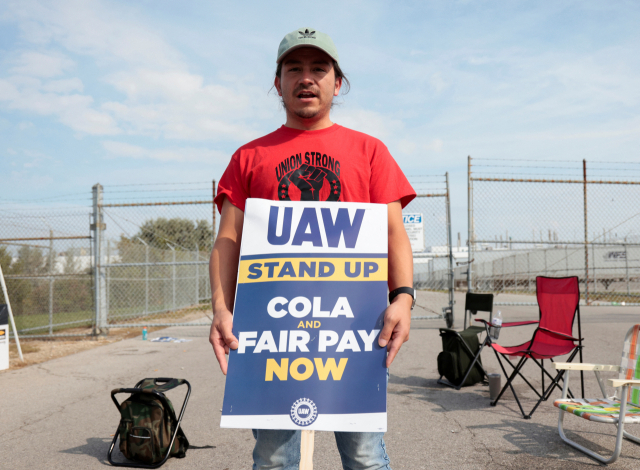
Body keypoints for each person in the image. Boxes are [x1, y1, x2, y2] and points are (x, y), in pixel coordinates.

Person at [209, 27, 416, 470]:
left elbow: (393, 232)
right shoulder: (249, 157)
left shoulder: (370, 151)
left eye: (319, 69)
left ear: (336, 83)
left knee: (365, 456)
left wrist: (404, 298)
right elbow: (228, 240)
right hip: (272, 336)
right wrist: (222, 309)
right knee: (274, 458)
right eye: (294, 69)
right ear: (278, 82)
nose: (307, 78)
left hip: (354, 332)